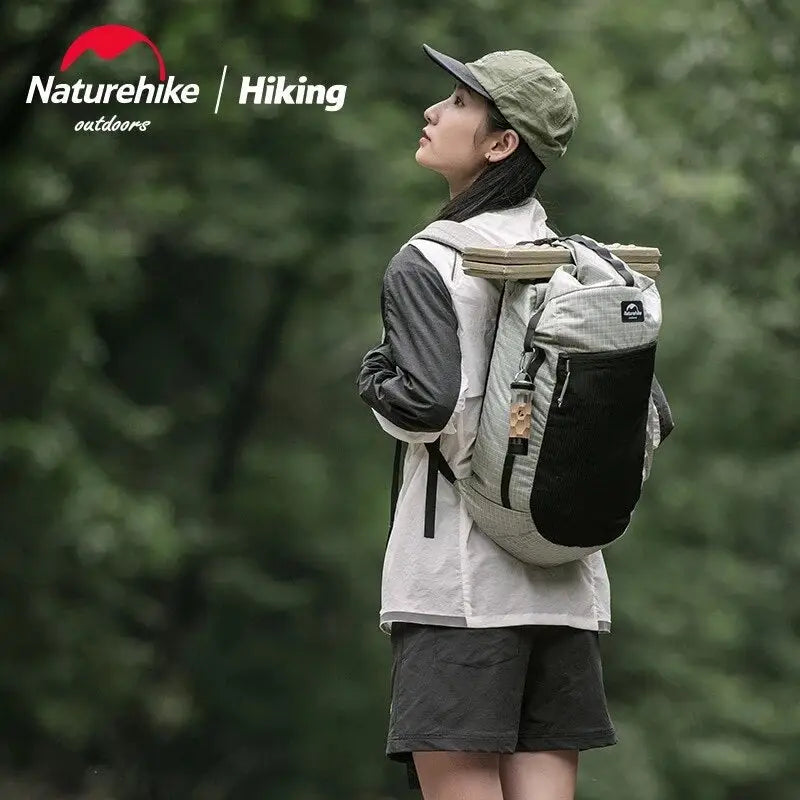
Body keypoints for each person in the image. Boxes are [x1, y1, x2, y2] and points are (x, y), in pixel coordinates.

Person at [357, 43, 617, 800]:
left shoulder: (429, 260)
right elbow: (647, 411)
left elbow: (425, 404)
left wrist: (371, 374)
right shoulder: (579, 263)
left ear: (501, 144)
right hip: (567, 583)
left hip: (456, 587)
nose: (434, 112)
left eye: (461, 103)